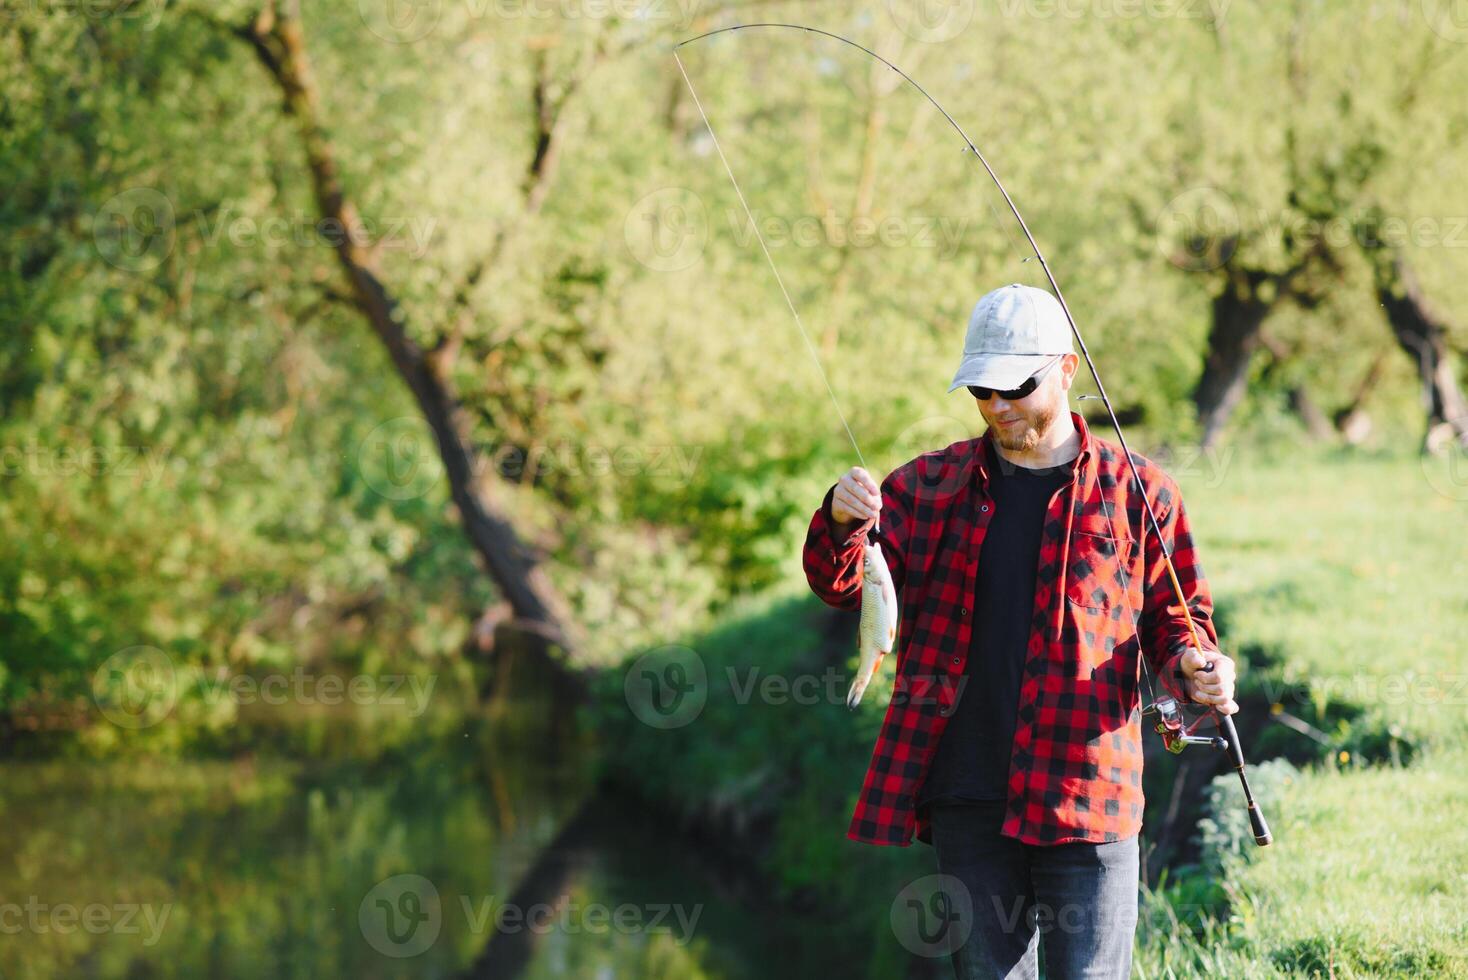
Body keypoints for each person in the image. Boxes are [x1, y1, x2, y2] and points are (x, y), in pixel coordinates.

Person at [801, 283, 1238, 978]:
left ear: (1066, 368)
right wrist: (840, 520)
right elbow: (842, 585)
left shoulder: (1142, 491)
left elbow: (1177, 618)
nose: (998, 406)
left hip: (1089, 795)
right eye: (982, 389)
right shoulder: (926, 486)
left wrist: (1193, 663)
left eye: (1015, 386)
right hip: (969, 799)